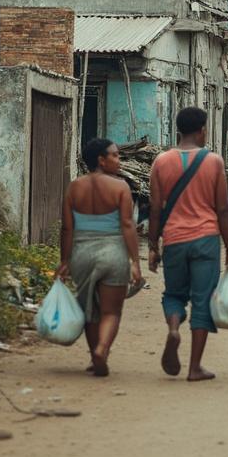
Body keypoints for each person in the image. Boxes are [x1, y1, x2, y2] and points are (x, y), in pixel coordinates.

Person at [148, 107, 228, 382]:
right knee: (202, 300)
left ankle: (174, 329)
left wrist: (153, 245)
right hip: (205, 239)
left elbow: (154, 208)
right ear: (202, 130)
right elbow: (223, 208)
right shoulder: (213, 162)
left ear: (178, 130)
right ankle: (194, 367)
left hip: (174, 239)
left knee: (174, 295)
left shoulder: (161, 162)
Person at [56, 138, 144, 377]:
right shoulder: (120, 187)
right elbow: (127, 225)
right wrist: (135, 262)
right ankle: (102, 350)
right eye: (114, 156)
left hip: (81, 255)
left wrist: (64, 261)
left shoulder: (74, 187)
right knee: (111, 312)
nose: (119, 159)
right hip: (113, 254)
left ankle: (94, 354)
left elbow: (67, 229)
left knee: (89, 310)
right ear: (101, 160)